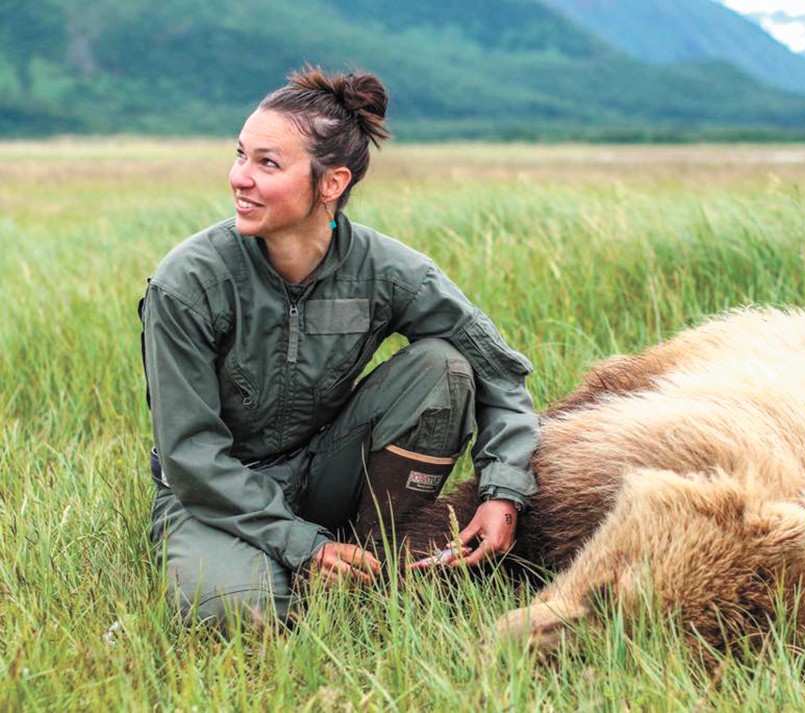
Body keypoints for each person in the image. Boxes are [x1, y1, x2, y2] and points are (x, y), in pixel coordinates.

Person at [139, 67, 539, 624]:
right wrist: (303, 545)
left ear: (331, 183)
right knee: (233, 617)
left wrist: (503, 492)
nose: (239, 178)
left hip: (326, 468)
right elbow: (191, 456)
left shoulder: (390, 272)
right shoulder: (189, 283)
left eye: (267, 163)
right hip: (217, 497)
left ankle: (380, 559)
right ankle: (313, 563)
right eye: (240, 155)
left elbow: (497, 373)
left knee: (443, 366)